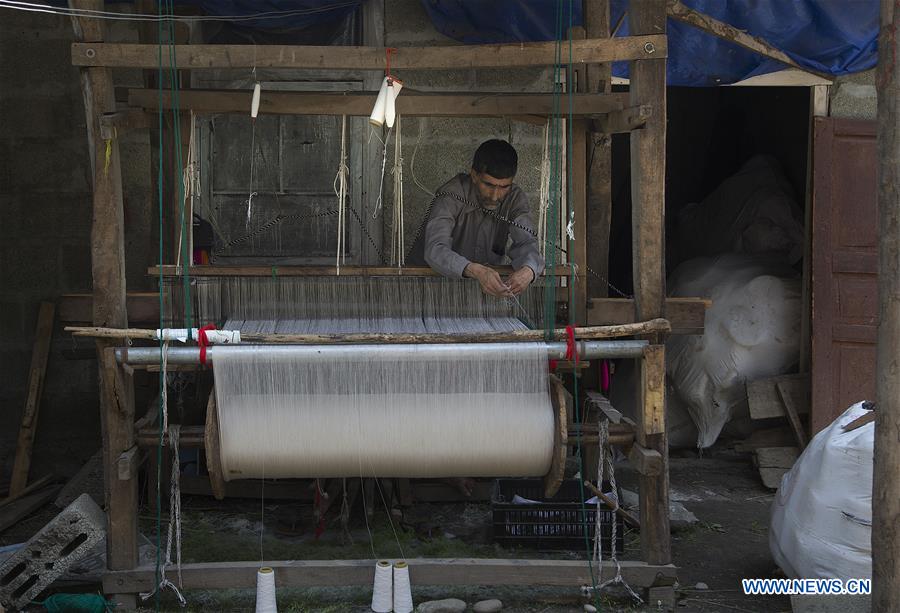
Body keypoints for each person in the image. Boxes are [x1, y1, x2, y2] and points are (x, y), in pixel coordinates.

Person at [422, 139, 545, 296]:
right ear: (474, 175)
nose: (495, 196)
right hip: (434, 289)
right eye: (488, 185)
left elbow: (526, 242)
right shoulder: (450, 195)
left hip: (484, 294)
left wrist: (529, 270)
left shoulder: (514, 199)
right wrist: (476, 271)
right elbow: (435, 249)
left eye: (504, 187)